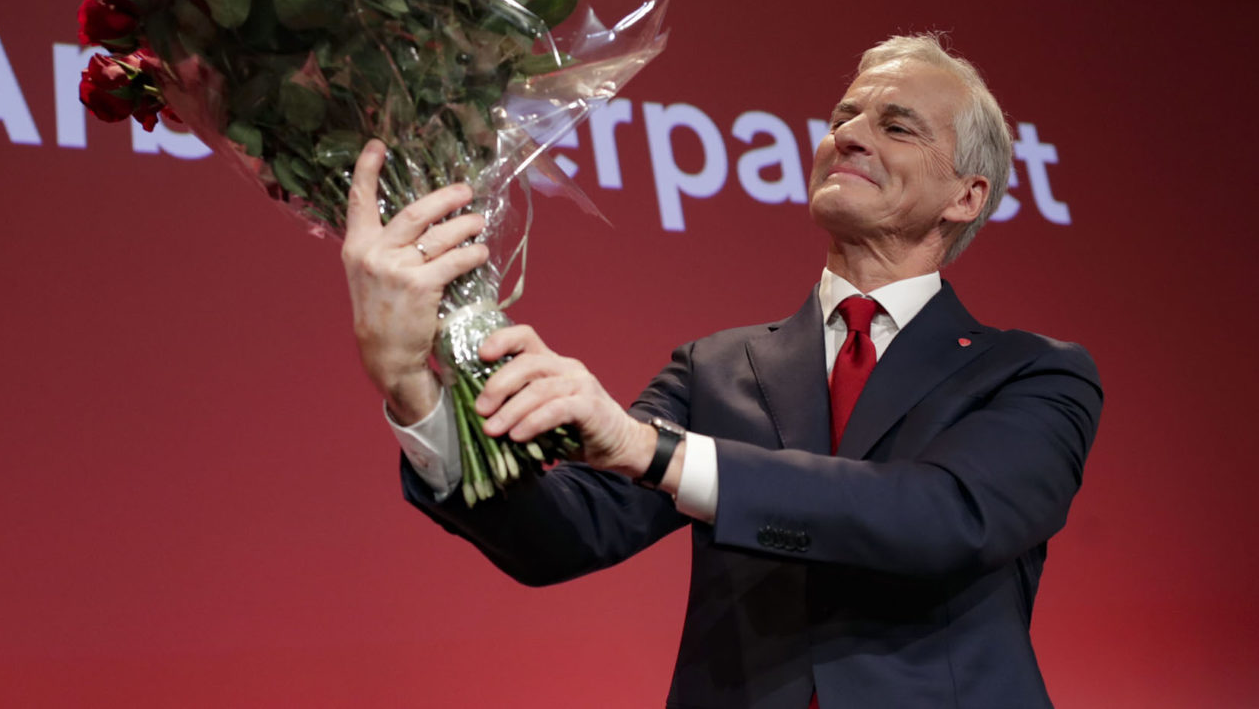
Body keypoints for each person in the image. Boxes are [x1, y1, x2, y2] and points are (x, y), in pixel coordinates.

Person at [341, 35, 1102, 708]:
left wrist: (655, 451)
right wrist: (411, 384)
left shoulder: (1033, 374)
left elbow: (945, 518)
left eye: (894, 126)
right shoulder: (718, 368)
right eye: (842, 118)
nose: (846, 138)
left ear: (965, 197)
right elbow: (565, 538)